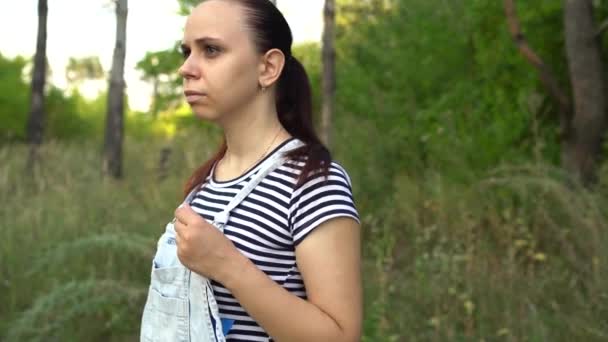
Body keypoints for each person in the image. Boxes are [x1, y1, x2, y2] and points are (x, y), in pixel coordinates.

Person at [168, 0, 362, 340]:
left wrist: (226, 264)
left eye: (211, 50)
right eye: (187, 52)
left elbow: (342, 336)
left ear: (268, 67)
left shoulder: (314, 181)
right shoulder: (206, 182)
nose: (187, 68)